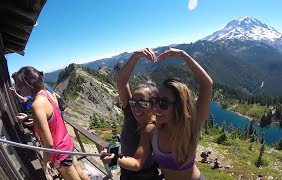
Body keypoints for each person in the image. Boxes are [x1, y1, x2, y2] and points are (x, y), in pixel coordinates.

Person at [104, 48, 213, 180]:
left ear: (178, 106)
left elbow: (207, 84)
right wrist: (115, 158)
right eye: (157, 102)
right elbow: (137, 162)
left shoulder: (191, 127)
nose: (157, 107)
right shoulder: (151, 131)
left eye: (164, 104)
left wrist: (184, 55)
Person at [14, 66, 89, 180]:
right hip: (67, 143)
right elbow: (52, 115)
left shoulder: (36, 105)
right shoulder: (46, 93)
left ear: (28, 84)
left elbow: (48, 143)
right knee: (79, 171)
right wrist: (32, 118)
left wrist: (45, 164)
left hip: (59, 153)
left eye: (19, 85)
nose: (18, 88)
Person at [104, 48, 162, 180]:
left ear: (153, 105)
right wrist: (135, 56)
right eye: (133, 102)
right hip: (126, 173)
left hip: (145, 176)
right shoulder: (131, 113)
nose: (135, 107)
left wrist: (115, 158)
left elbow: (137, 163)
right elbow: (122, 82)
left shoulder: (151, 127)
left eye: (142, 103)